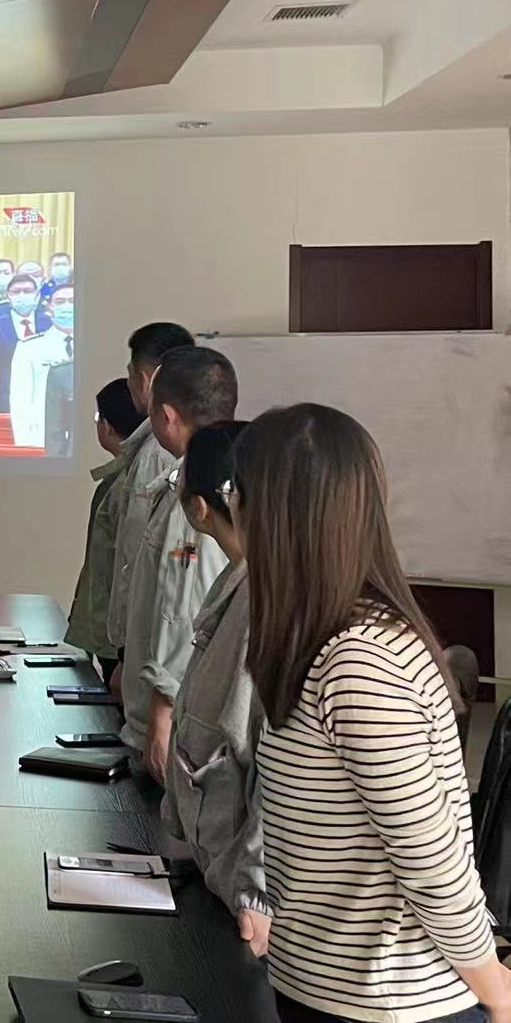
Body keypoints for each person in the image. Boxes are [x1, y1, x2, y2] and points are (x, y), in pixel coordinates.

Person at [241, 404, 511, 1023]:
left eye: (240, 493)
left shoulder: (362, 660)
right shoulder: (314, 642)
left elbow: (430, 859)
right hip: (331, 988)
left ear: (274, 517)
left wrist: (495, 989)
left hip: (392, 1000)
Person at [159, 420, 270, 957]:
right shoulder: (236, 584)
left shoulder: (266, 602)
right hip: (216, 875)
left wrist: (254, 893)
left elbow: (272, 765)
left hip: (247, 906)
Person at [120, 346, 236, 780]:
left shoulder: (193, 497)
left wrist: (161, 712)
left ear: (166, 415)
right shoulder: (217, 475)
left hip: (175, 723)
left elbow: (180, 609)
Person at [104, 321, 196, 697]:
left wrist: (125, 651)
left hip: (152, 661)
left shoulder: (158, 453)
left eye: (130, 374)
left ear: (145, 379)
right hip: (146, 654)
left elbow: (137, 556)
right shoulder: (152, 447)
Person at [63, 378, 145, 680]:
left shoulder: (126, 485)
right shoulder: (122, 479)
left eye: (98, 418)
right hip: (109, 631)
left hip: (114, 637)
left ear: (107, 426)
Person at [9, 282, 73, 446]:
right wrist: (25, 444)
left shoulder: (94, 345)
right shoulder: (29, 348)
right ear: (49, 307)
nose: (66, 306)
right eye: (60, 302)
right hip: (42, 436)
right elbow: (20, 403)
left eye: (72, 301)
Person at [0, 273, 50, 414]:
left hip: (44, 400)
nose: (22, 295)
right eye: (16, 292)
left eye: (27, 291)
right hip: (7, 401)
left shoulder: (49, 324)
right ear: (8, 296)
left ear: (37, 295)